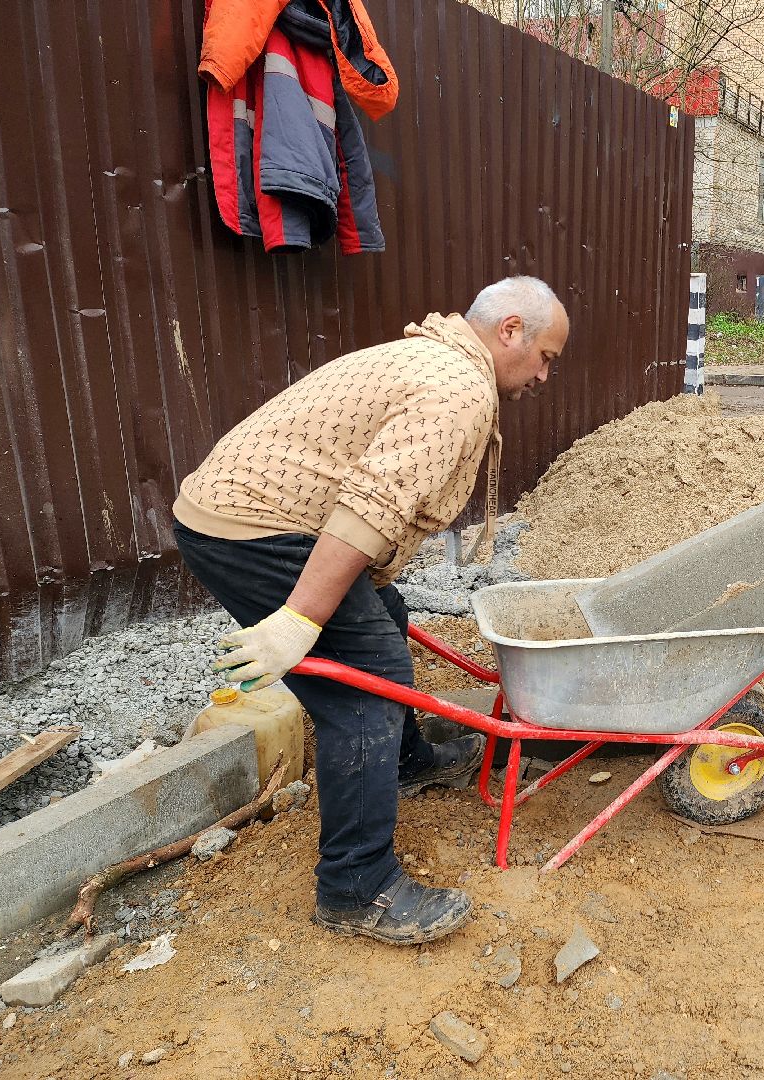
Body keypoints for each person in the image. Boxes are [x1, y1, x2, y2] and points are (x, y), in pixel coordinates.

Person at [174, 276, 569, 944]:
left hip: (253, 511)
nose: (545, 374)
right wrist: (300, 619)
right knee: (363, 694)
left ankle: (406, 762)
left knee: (383, 614)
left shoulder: (440, 361)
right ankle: (356, 888)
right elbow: (370, 507)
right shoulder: (457, 388)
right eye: (546, 356)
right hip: (252, 527)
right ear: (510, 330)